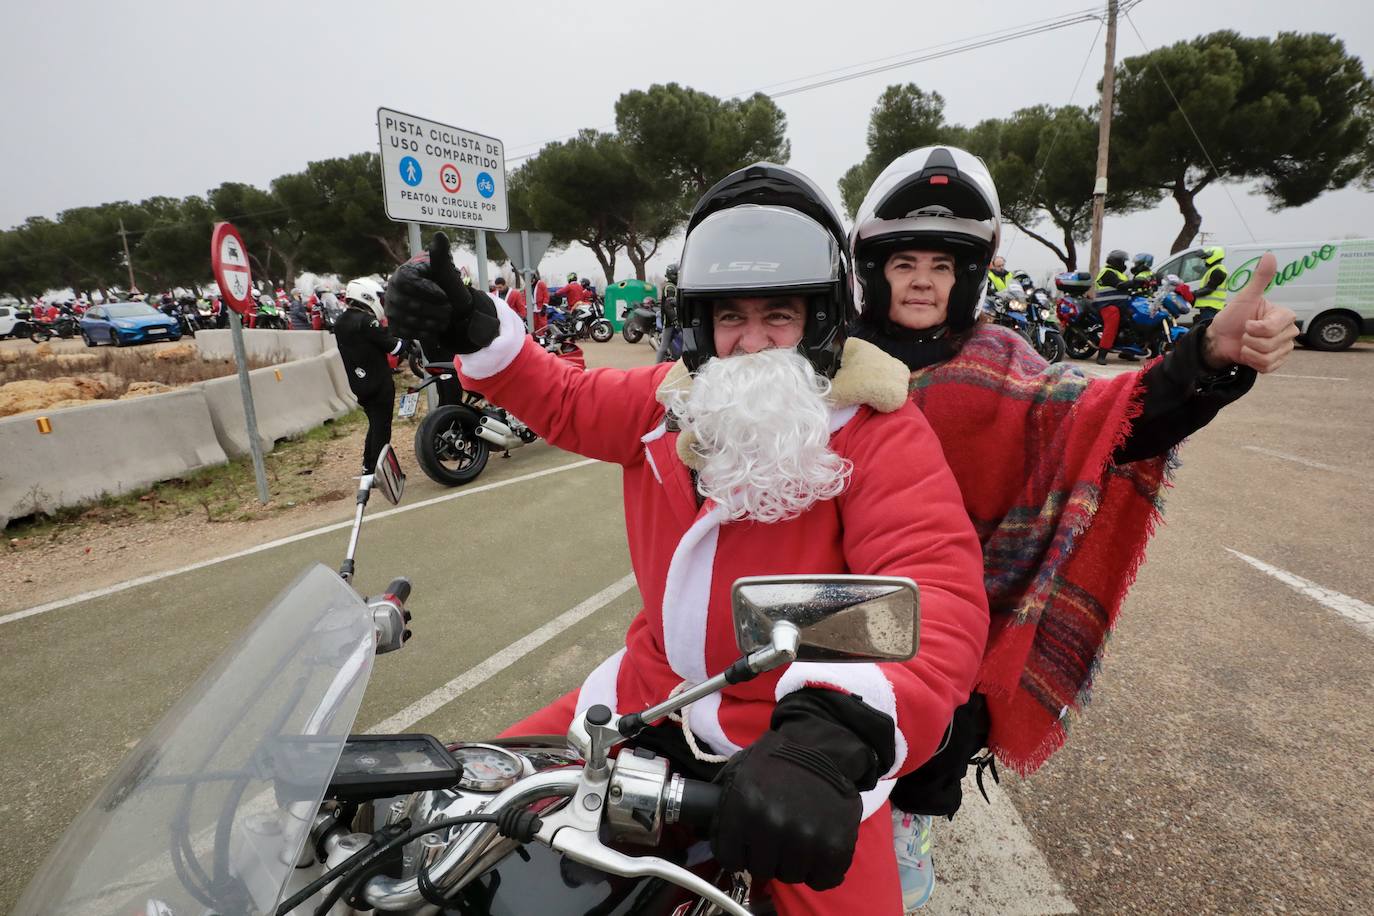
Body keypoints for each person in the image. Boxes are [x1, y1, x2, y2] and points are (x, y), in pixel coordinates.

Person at [383, 163, 992, 915]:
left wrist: (833, 740)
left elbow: (939, 593)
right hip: (646, 700)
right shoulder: (668, 399)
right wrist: (476, 330)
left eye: (780, 314)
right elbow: (565, 397)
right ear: (701, 324)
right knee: (465, 819)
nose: (751, 343)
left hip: (797, 741)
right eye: (731, 317)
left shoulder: (879, 427)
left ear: (823, 317)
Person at [848, 145, 1298, 911]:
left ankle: (911, 818)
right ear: (874, 270)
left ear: (968, 276)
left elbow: (1105, 418)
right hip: (842, 581)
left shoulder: (1003, 360)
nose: (922, 278)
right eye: (904, 262)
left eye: (943, 265)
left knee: (949, 709)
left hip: (954, 601)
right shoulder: (835, 362)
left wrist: (1202, 360)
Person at [334, 277, 406, 475]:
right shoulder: (366, 321)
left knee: (374, 424)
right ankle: (380, 470)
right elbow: (395, 347)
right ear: (366, 296)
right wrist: (407, 340)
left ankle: (369, 465)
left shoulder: (341, 322)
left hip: (358, 383)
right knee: (382, 428)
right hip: (379, 381)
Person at [1093, 248, 1139, 364]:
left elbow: (1127, 287)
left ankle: (1127, 352)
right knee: (1112, 325)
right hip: (1106, 305)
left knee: (1133, 321)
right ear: (1115, 262)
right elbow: (1119, 285)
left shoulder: (1120, 274)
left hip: (1121, 305)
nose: (1124, 265)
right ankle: (1101, 354)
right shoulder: (1107, 272)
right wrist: (1134, 282)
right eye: (1122, 262)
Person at [1192, 245, 1229, 323]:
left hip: (1211, 308)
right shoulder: (1214, 269)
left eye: (1206, 258)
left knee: (1208, 331)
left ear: (1214, 256)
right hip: (1209, 308)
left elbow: (1209, 289)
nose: (1205, 260)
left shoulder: (1218, 271)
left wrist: (1193, 294)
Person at [655, 262, 682, 363]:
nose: (677, 276)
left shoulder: (673, 286)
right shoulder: (669, 287)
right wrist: (675, 320)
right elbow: (668, 305)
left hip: (672, 319)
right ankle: (656, 366)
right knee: (664, 346)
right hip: (669, 321)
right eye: (676, 274)